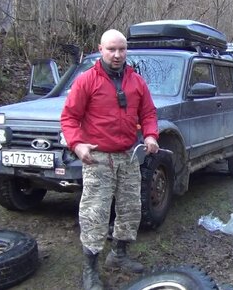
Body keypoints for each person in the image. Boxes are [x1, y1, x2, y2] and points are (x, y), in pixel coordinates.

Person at [61, 29, 159, 290]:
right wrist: (77, 144)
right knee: (95, 213)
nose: (117, 55)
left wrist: (150, 135)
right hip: (98, 158)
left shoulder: (137, 81)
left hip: (128, 156)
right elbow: (69, 118)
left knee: (130, 209)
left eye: (122, 49)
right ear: (100, 49)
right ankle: (90, 270)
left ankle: (119, 255)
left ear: (127, 50)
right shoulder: (86, 81)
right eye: (111, 49)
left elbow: (148, 113)